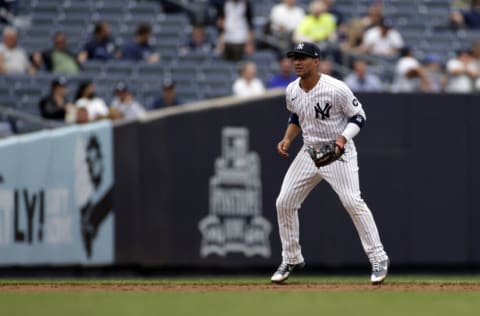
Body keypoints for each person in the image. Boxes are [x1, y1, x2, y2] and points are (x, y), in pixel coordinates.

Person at [270, 42, 389, 285]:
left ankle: (378, 258)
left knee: (352, 201)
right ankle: (291, 257)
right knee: (284, 202)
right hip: (309, 150)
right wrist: (287, 138)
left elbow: (359, 117)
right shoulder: (292, 89)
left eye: (303, 57)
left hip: (337, 152)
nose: (297, 62)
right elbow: (296, 116)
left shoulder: (336, 88)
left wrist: (343, 138)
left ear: (316, 61)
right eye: (294, 57)